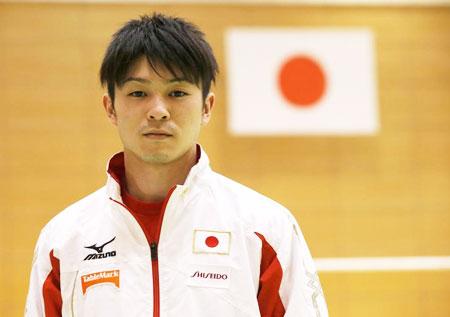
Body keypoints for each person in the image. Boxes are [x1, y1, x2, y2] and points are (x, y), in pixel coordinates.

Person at [25, 13, 328, 317]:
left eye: (177, 93)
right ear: (111, 107)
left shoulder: (264, 229)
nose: (158, 111)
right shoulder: (64, 239)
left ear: (206, 107)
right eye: (138, 93)